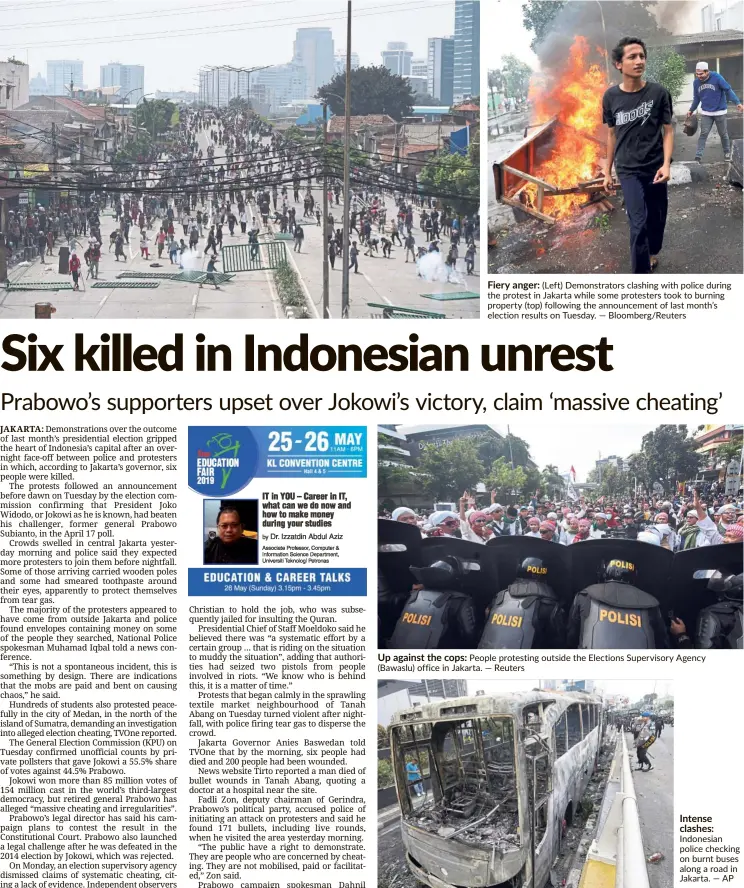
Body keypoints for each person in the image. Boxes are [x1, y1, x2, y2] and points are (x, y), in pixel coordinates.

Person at [602, 37, 674, 273]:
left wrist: (666, 164)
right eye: (632, 57)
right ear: (618, 64)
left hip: (655, 167)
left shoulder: (659, 93)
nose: (639, 61)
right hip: (628, 170)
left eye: (642, 56)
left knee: (657, 218)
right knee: (638, 222)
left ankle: (653, 251)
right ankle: (640, 275)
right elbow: (611, 135)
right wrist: (607, 170)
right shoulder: (610, 97)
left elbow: (668, 130)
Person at [687, 61, 743, 162]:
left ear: (707, 71)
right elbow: (696, 98)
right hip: (706, 113)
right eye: (697, 74)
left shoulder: (717, 78)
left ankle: (726, 152)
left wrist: (737, 103)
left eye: (701, 74)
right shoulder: (696, 83)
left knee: (723, 134)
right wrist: (691, 110)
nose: (699, 76)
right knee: (703, 134)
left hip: (719, 112)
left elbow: (728, 90)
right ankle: (698, 156)